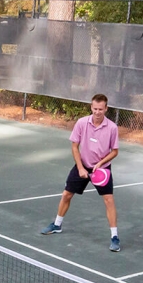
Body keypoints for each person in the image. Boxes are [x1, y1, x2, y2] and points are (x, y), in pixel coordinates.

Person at [40, 93, 121, 251]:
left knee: (109, 201)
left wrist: (100, 163)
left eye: (100, 109)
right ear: (91, 107)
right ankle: (57, 225)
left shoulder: (112, 127)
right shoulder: (82, 123)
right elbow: (74, 146)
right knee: (66, 195)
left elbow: (115, 151)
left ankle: (115, 237)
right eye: (95, 108)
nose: (97, 112)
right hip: (82, 164)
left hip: (102, 170)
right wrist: (81, 168)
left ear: (106, 109)